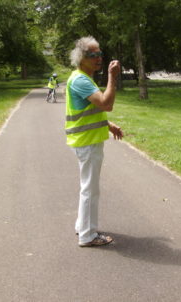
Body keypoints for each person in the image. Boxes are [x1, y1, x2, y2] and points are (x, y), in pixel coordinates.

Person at [65, 36, 123, 247]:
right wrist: (111, 76)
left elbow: (91, 109)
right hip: (87, 142)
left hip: (86, 140)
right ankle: (88, 236)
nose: (99, 58)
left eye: (100, 54)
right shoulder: (81, 80)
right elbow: (106, 104)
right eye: (93, 55)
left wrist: (109, 125)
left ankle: (82, 226)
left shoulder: (82, 77)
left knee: (87, 187)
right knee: (90, 189)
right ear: (82, 58)